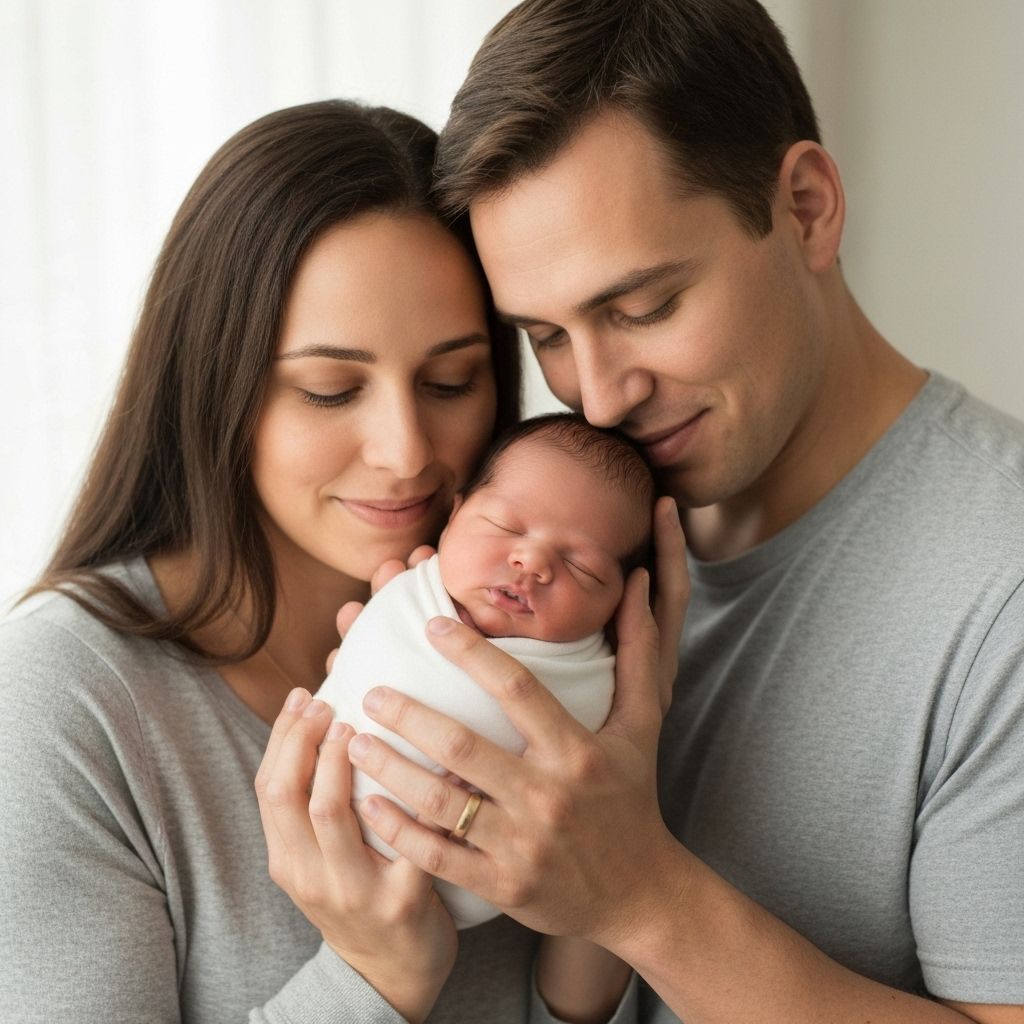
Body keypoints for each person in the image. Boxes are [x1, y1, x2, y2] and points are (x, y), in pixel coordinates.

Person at [265, 2, 1023, 1023]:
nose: (600, 394)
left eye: (641, 308)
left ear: (804, 206)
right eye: (547, 334)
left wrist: (639, 896)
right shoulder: (550, 524)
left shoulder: (996, 585)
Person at [0, 97, 625, 1024]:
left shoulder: (552, 638)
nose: (407, 450)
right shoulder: (66, 703)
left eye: (452, 381)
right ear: (217, 388)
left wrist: (615, 862)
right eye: (331, 391)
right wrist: (374, 976)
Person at [317, 412, 656, 929]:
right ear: (453, 518)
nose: (531, 561)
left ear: (618, 604)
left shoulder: (594, 678)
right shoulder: (409, 593)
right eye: (504, 526)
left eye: (583, 567)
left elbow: (578, 789)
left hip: (466, 891)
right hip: (315, 810)